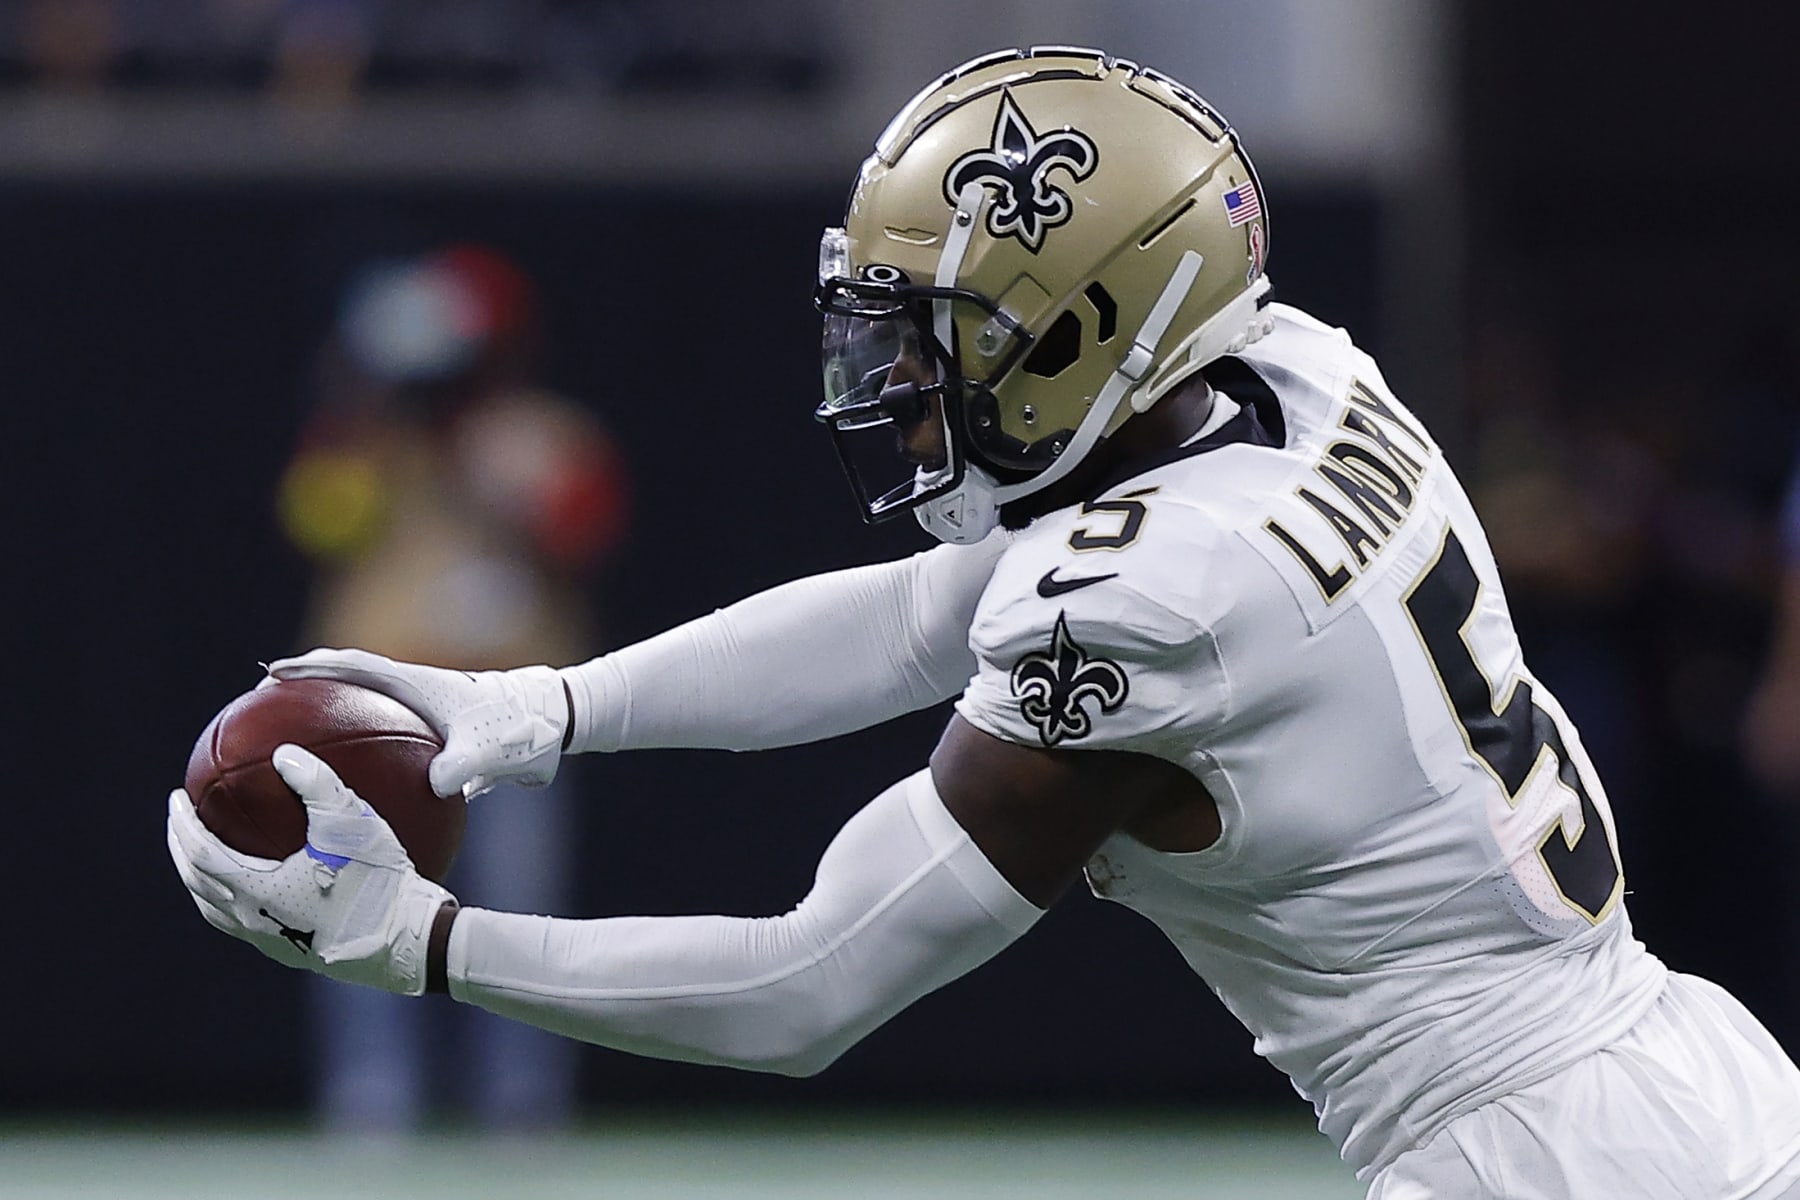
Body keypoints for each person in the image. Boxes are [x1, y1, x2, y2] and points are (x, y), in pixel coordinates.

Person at [167, 48, 1800, 1197]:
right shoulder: (1293, 376)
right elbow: (927, 615)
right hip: (1690, 1069)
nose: (898, 384)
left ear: (1094, 326)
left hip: (1542, 1162)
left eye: (944, 334)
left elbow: (804, 987)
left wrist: (426, 946)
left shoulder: (1157, 601)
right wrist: (545, 710)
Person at [275, 244, 628, 1131]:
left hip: (511, 714)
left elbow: (586, 526)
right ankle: (374, 1099)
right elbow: (316, 519)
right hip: (379, 720)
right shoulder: (365, 443)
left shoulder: (541, 432)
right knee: (358, 904)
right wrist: (364, 412)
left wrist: (498, 471)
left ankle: (521, 1104)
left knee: (517, 913)